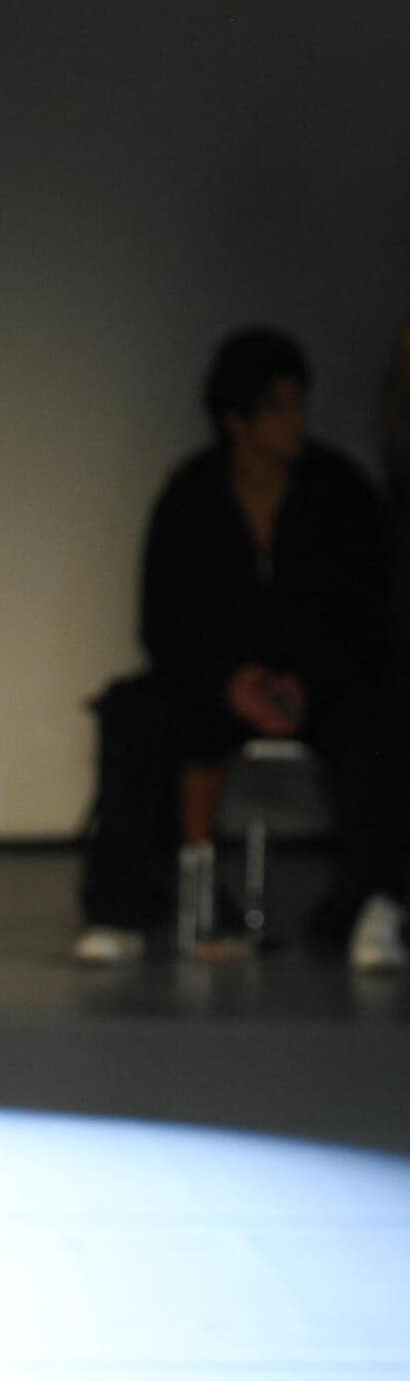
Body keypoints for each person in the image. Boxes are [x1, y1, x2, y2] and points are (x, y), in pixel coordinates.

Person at [74, 327, 407, 972]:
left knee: (384, 716)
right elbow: (164, 621)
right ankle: (119, 908)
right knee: (133, 711)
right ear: (236, 419)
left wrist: (307, 679)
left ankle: (375, 904)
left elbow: (368, 614)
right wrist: (230, 682)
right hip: (219, 689)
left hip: (322, 687)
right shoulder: (192, 495)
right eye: (277, 406)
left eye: (297, 402)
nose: (295, 420)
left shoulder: (339, 491)